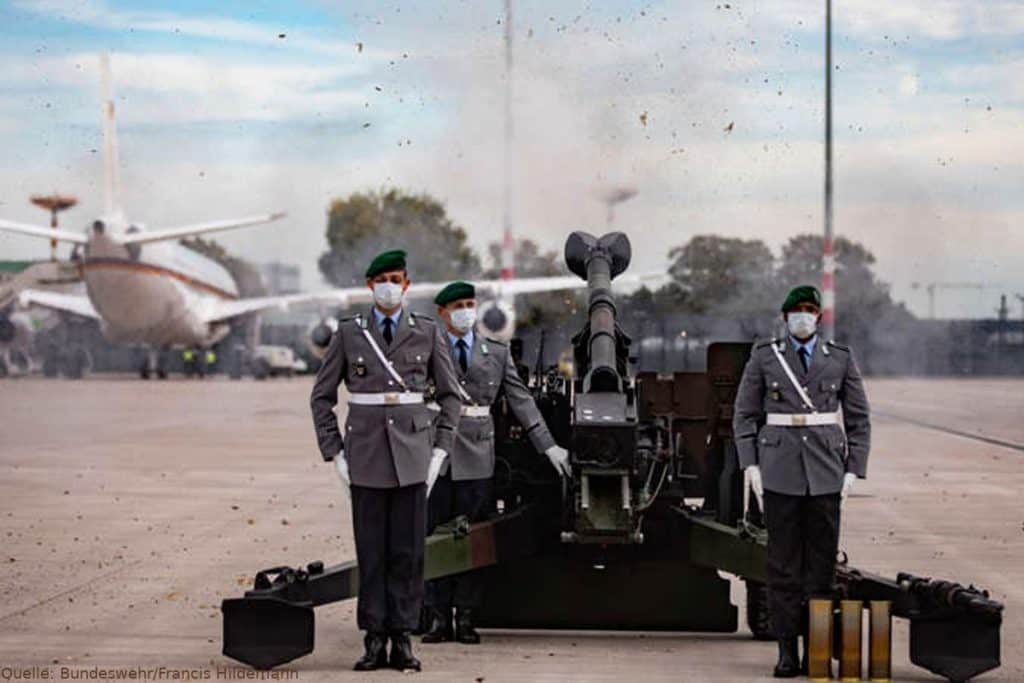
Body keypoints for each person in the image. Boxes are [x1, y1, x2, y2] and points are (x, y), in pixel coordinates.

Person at [310, 249, 462, 672]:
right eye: (382, 280)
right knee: (372, 553)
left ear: (407, 285)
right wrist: (334, 451)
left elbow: (451, 396)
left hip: (414, 457)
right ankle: (374, 638)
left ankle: (403, 639)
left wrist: (440, 449)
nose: (389, 287)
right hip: (366, 458)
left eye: (396, 279)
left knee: (408, 554)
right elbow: (321, 398)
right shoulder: (350, 333)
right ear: (370, 286)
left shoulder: (428, 332)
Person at [421, 281, 571, 645]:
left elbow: (522, 403)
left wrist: (549, 447)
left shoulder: (497, 353)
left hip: (477, 454)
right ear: (443, 312)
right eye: (458, 305)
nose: (466, 311)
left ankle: (467, 616)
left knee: (474, 538)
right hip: (435, 454)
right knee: (433, 537)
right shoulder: (426, 349)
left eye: (470, 304)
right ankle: (438, 616)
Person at [733, 285, 871, 678]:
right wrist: (751, 466)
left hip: (826, 474)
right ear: (785, 318)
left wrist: (853, 469)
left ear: (820, 318)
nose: (803, 317)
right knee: (782, 568)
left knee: (822, 569)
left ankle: (817, 651)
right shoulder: (765, 357)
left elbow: (859, 419)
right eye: (796, 311)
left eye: (810, 310)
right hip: (778, 473)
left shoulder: (839, 358)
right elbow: (744, 415)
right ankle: (786, 651)